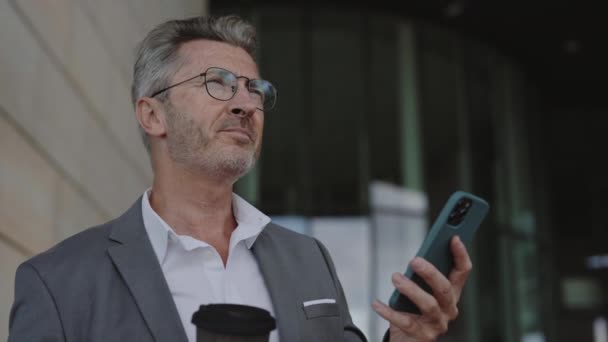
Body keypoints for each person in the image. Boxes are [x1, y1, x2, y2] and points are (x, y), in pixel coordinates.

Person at [8, 14, 472, 342]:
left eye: (254, 88)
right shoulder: (58, 283)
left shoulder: (308, 258)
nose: (245, 103)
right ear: (152, 115)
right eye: (218, 82)